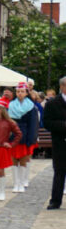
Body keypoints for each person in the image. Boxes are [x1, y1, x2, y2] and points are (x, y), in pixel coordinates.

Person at [9, 82, 40, 193]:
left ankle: (22, 182)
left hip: (25, 135)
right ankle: (15, 183)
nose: (20, 94)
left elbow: (33, 124)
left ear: (27, 93)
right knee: (13, 160)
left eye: (22, 91)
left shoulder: (32, 107)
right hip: (13, 136)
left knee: (23, 160)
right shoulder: (11, 105)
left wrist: (31, 139)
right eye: (18, 91)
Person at [44, 76, 66, 209]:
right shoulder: (52, 103)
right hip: (60, 143)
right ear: (62, 87)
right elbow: (46, 122)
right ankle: (55, 200)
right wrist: (63, 125)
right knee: (59, 172)